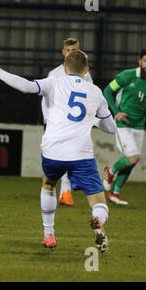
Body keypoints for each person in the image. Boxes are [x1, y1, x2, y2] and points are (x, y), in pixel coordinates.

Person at [0, 49, 117, 253]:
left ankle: (49, 235)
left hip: (53, 151)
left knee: (49, 183)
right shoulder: (96, 91)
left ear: (65, 67)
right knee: (98, 201)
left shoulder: (54, 81)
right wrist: (93, 119)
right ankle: (97, 219)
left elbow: (26, 87)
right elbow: (111, 128)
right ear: (87, 69)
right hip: (81, 154)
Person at [102, 47, 146, 205]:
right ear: (140, 62)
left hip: (139, 125)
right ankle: (110, 170)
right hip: (123, 123)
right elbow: (107, 91)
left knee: (133, 160)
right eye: (145, 61)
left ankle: (115, 193)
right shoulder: (126, 76)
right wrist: (117, 112)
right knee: (133, 157)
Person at [44, 38, 94, 206]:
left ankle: (66, 192)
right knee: (61, 158)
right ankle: (65, 191)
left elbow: (91, 97)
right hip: (57, 124)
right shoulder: (54, 74)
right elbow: (45, 99)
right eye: (68, 50)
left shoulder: (85, 74)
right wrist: (47, 119)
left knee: (70, 157)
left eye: (75, 50)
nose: (71, 53)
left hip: (77, 124)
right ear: (63, 52)